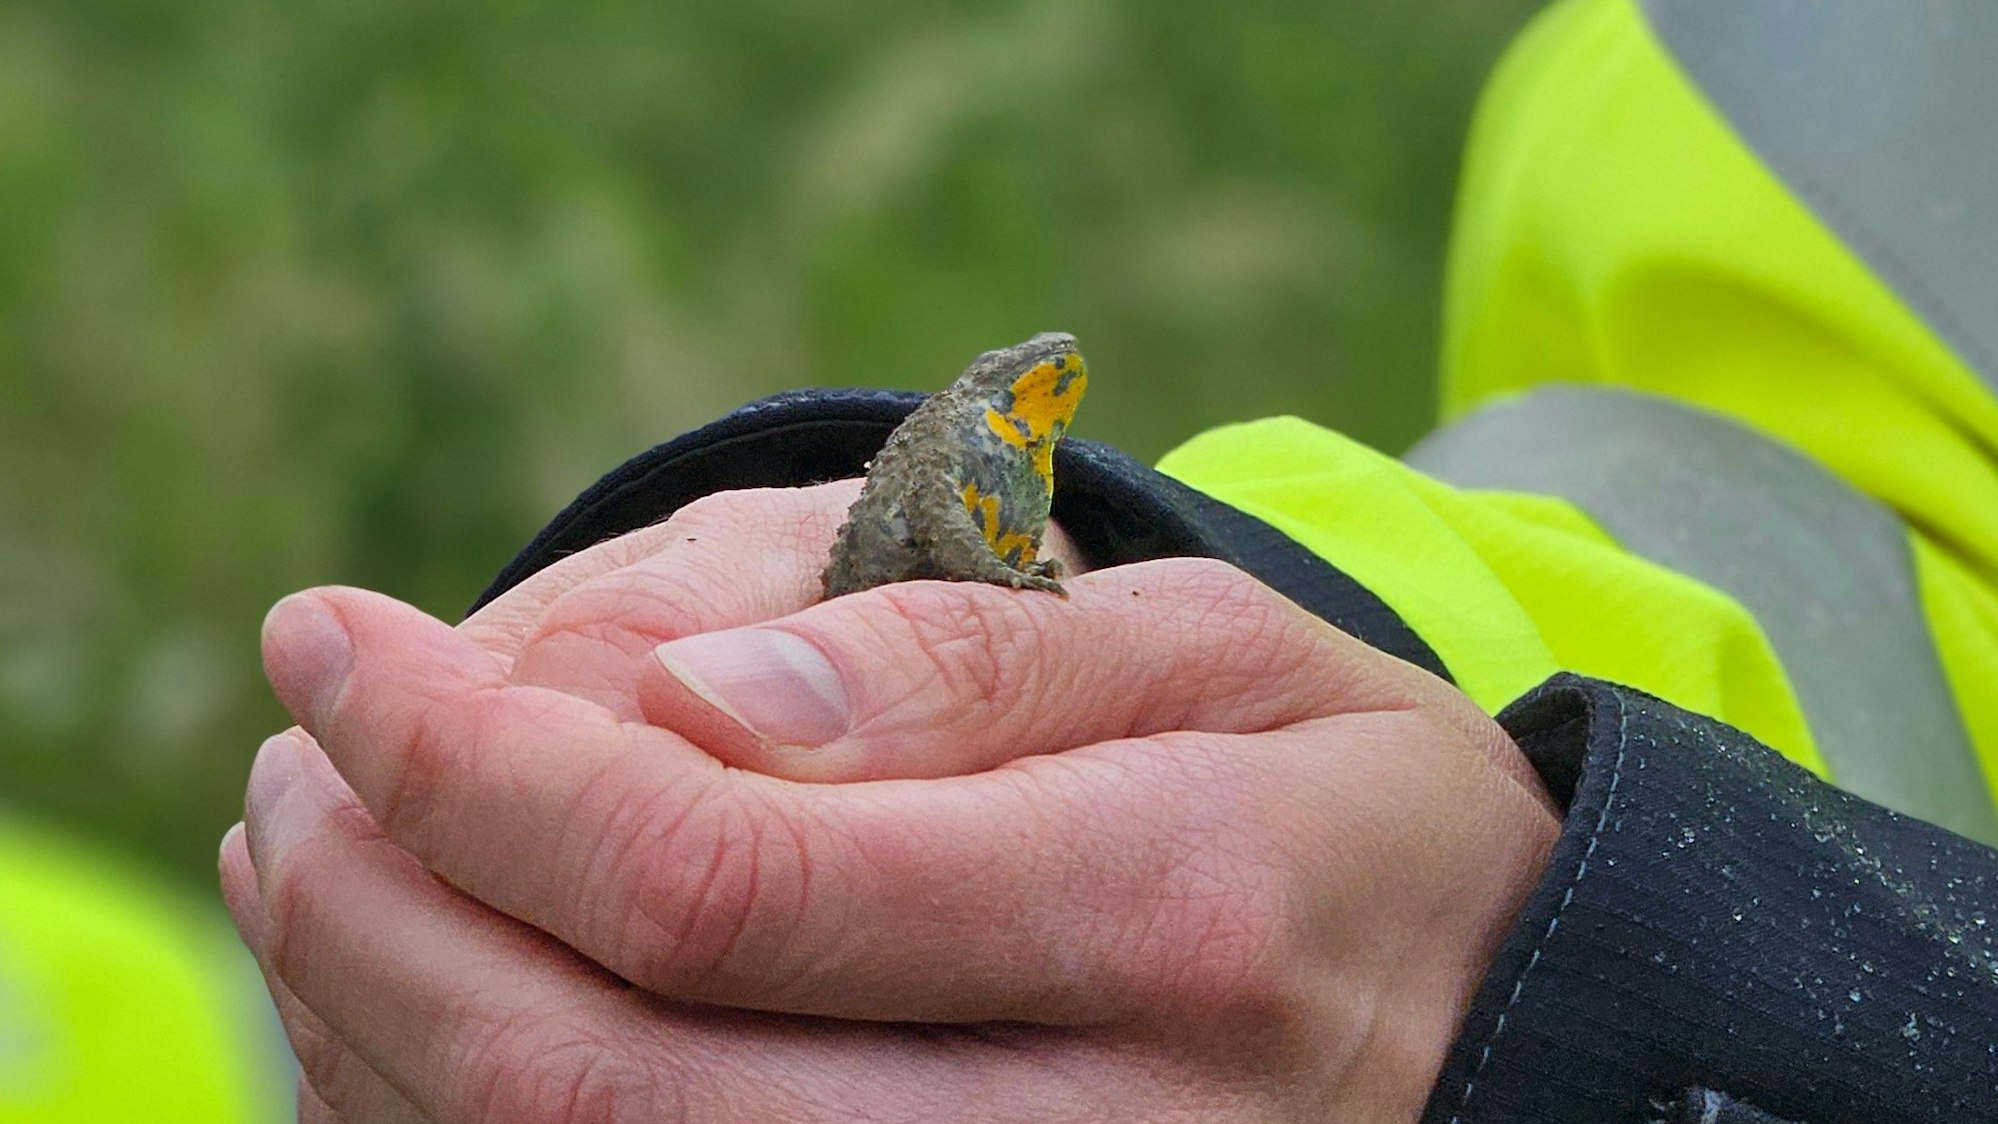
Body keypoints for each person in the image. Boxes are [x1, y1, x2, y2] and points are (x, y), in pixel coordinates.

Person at [220, 1, 1998, 1120]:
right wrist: (1205, 631)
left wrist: (1620, 1015)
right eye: (1028, 385)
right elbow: (1776, 530)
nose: (1044, 385)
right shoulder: (1793, 89)